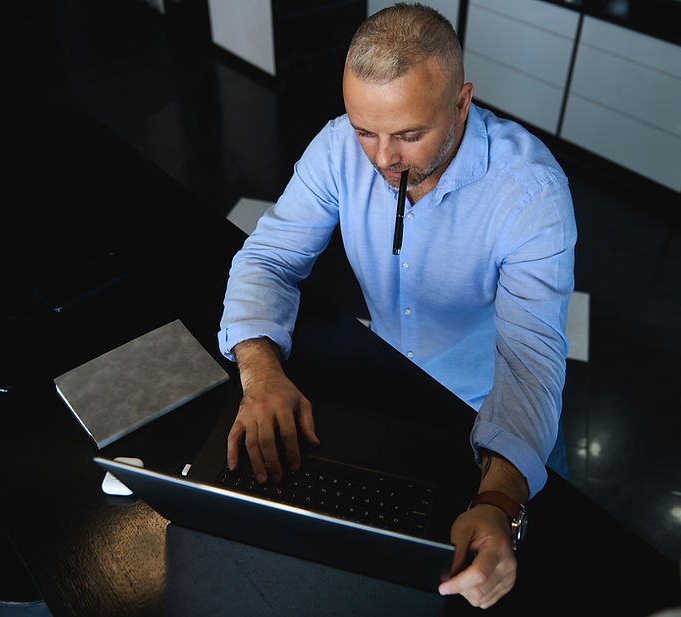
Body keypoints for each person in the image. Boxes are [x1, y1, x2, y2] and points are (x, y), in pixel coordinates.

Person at [217, 3, 576, 608]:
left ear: (461, 104)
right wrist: (260, 371)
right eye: (366, 130)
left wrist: (498, 503)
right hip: (389, 385)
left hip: (494, 406)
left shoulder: (532, 192)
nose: (383, 159)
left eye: (410, 134)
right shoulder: (338, 148)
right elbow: (267, 258)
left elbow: (530, 358)